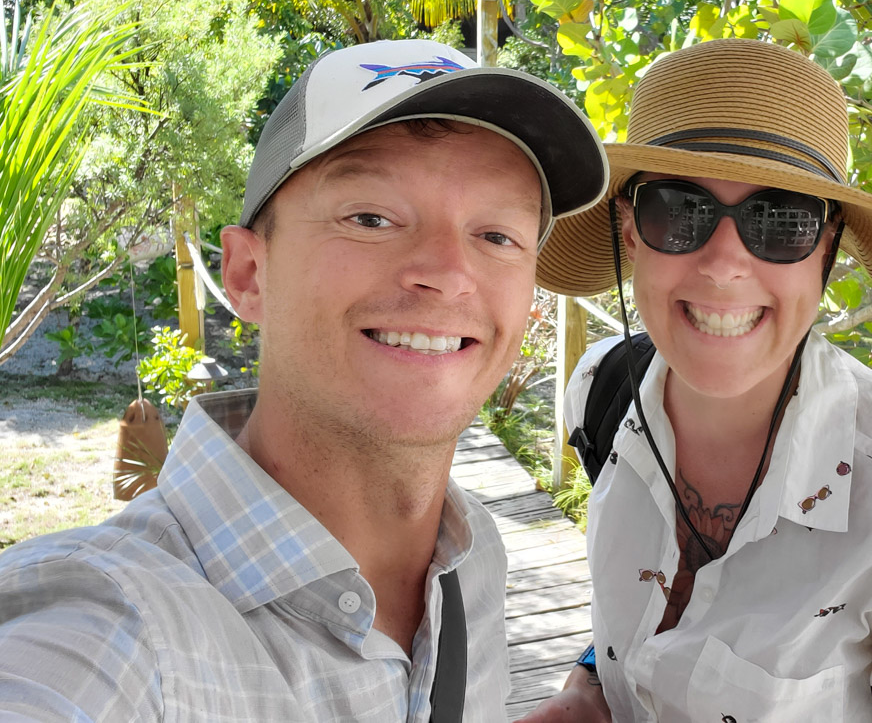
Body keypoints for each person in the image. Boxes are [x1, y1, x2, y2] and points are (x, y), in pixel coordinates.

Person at [0, 40, 608, 722]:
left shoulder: (471, 560)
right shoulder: (114, 625)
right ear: (247, 274)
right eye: (371, 218)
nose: (446, 269)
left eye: (497, 235)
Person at [527, 39, 872, 722]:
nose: (723, 264)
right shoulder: (604, 392)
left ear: (829, 247)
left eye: (779, 220)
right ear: (631, 230)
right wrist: (591, 691)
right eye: (678, 211)